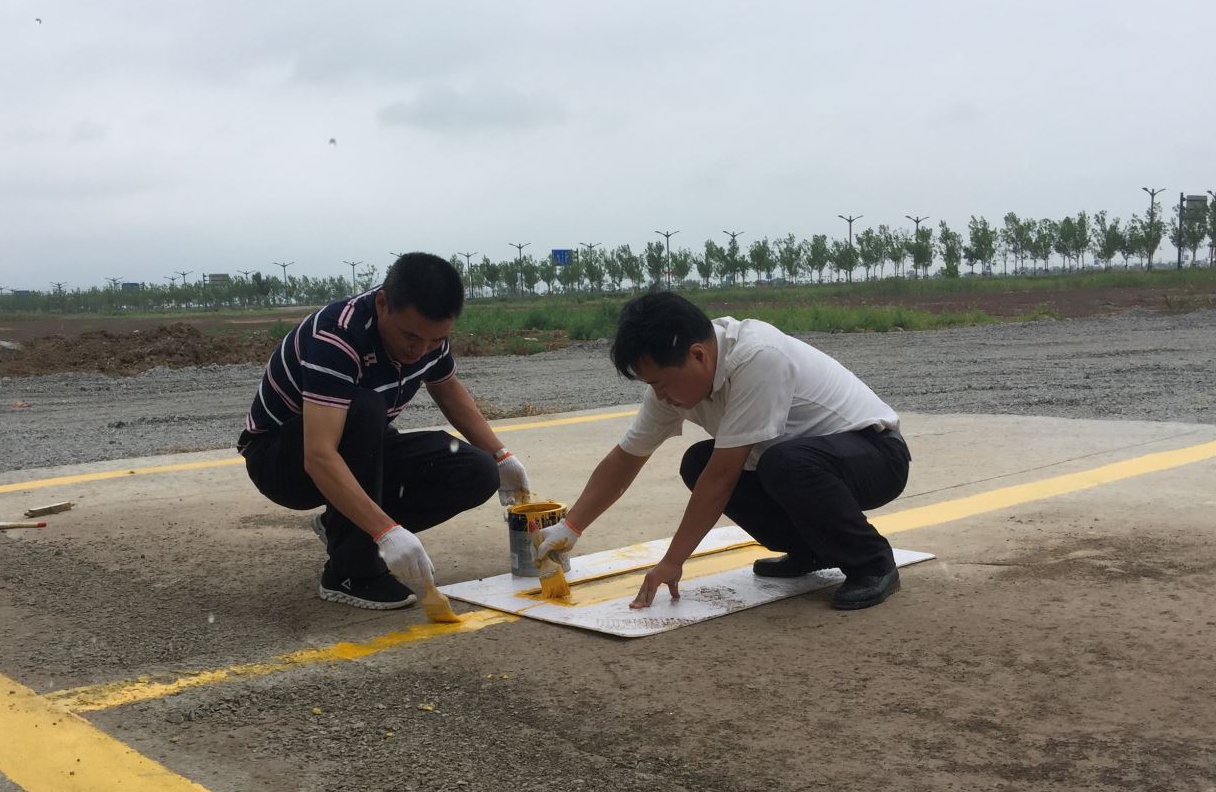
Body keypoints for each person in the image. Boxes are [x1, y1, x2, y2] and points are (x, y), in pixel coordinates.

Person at [533, 291, 910, 611]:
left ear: (698, 355)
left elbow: (724, 475)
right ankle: (811, 550)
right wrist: (570, 527)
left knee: (778, 463)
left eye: (661, 383)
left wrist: (672, 562)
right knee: (698, 462)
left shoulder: (757, 357)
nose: (659, 395)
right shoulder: (670, 388)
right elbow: (625, 459)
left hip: (875, 455)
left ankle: (873, 564)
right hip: (804, 465)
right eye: (652, 385)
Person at [239, 252, 531, 610]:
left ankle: (341, 527)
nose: (420, 351)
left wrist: (501, 456)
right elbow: (318, 455)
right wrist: (384, 532)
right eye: (411, 337)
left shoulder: (428, 336)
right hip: (281, 460)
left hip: (359, 444)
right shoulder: (337, 336)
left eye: (435, 341)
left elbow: (448, 389)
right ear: (382, 304)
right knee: (364, 408)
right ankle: (350, 573)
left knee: (477, 470)